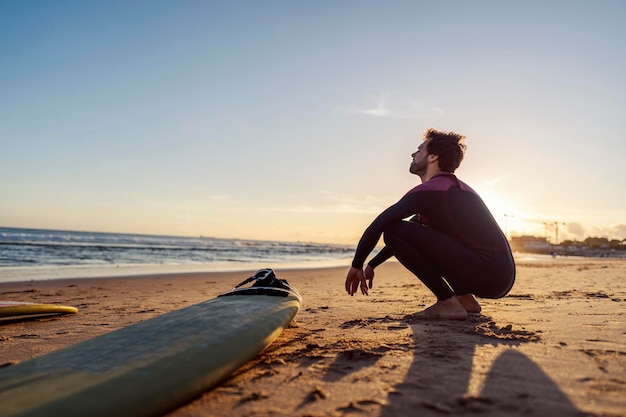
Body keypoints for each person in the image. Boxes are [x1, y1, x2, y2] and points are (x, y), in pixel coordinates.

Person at [344, 128, 515, 320]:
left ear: (433, 157)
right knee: (408, 231)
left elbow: (382, 224)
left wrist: (357, 265)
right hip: (499, 276)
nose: (413, 154)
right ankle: (464, 299)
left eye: (419, 150)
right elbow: (410, 235)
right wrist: (373, 264)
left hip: (485, 272)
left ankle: (447, 302)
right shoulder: (453, 190)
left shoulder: (430, 191)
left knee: (393, 229)